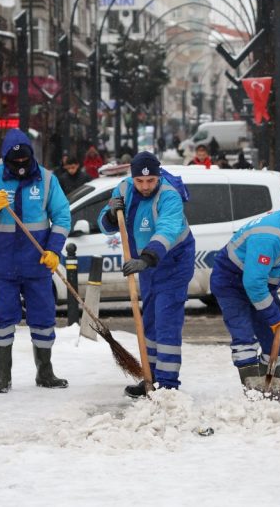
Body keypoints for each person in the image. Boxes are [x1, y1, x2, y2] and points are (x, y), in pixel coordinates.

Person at [0, 129, 71, 394]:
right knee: (3, 318)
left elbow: (62, 216)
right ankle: (3, 376)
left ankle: (45, 372)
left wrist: (53, 250)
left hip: (37, 261)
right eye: (16, 162)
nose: (21, 165)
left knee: (43, 316)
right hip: (2, 262)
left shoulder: (47, 180)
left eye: (25, 160)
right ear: (6, 159)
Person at [97, 152, 195, 397]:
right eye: (139, 181)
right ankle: (150, 378)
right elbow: (105, 225)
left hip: (172, 263)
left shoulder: (169, 196)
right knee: (149, 319)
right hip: (147, 264)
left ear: (158, 176)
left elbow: (167, 230)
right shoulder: (124, 188)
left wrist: (146, 258)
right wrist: (110, 214)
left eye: (150, 180)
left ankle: (168, 385)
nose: (145, 186)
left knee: (166, 322)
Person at [209, 197, 280, 387]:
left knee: (277, 341)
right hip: (231, 281)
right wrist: (272, 316)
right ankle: (252, 392)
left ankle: (270, 387)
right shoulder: (269, 236)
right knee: (244, 338)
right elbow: (253, 283)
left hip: (260, 283)